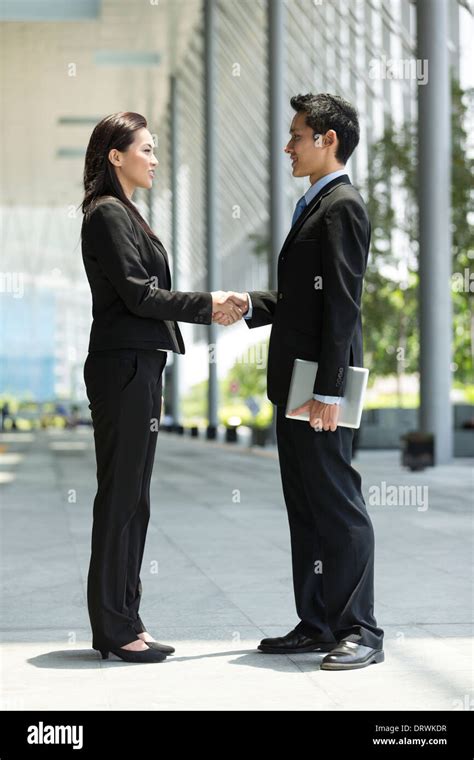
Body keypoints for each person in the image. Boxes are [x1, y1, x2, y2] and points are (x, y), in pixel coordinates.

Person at [217, 93, 384, 670]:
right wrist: (252, 304)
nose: (287, 146)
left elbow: (342, 306)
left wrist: (331, 393)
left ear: (327, 140)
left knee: (338, 504)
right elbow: (304, 302)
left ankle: (360, 629)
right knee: (306, 506)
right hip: (298, 384)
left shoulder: (342, 206)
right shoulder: (315, 204)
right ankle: (316, 622)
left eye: (296, 135)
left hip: (320, 388)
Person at [81, 112, 246, 663]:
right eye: (146, 149)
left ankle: (128, 618)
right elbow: (138, 294)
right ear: (116, 156)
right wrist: (208, 304)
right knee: (121, 496)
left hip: (139, 363)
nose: (154, 159)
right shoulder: (107, 215)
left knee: (136, 499)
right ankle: (113, 628)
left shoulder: (127, 214)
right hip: (123, 365)